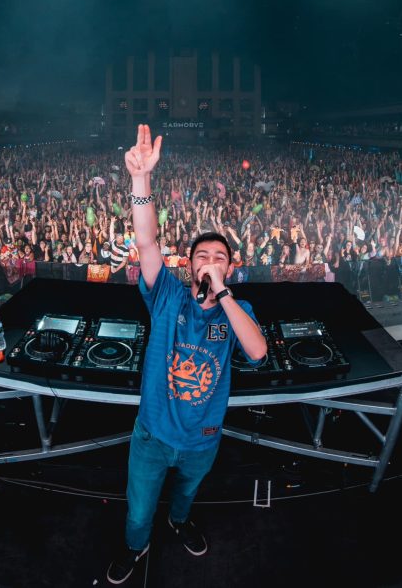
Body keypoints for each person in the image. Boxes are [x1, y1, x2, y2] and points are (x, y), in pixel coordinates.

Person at [107, 125, 267, 585]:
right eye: (202, 256)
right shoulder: (168, 296)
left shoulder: (239, 311)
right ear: (189, 265)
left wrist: (224, 294)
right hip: (153, 433)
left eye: (219, 257)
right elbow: (146, 242)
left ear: (230, 267)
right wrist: (141, 179)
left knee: (185, 496)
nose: (210, 261)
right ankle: (136, 545)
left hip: (203, 437)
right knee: (139, 508)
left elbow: (257, 351)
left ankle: (179, 521)